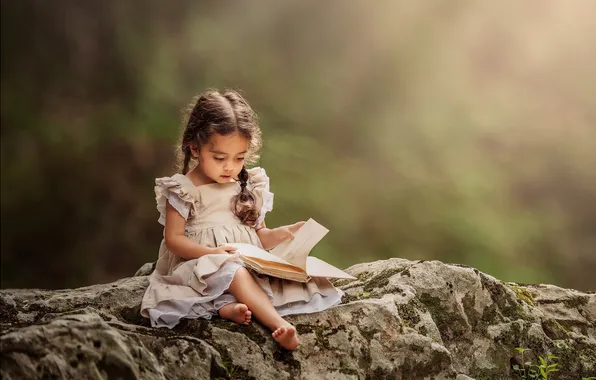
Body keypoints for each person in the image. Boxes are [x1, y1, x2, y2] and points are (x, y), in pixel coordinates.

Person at [140, 89, 343, 350]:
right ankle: (277, 323)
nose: (230, 167)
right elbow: (174, 240)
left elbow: (259, 235)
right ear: (195, 147)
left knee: (288, 275)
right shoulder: (183, 189)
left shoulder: (248, 185)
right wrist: (212, 252)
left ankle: (228, 308)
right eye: (220, 158)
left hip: (247, 264)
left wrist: (284, 233)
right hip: (201, 266)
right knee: (231, 271)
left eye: (239, 158)